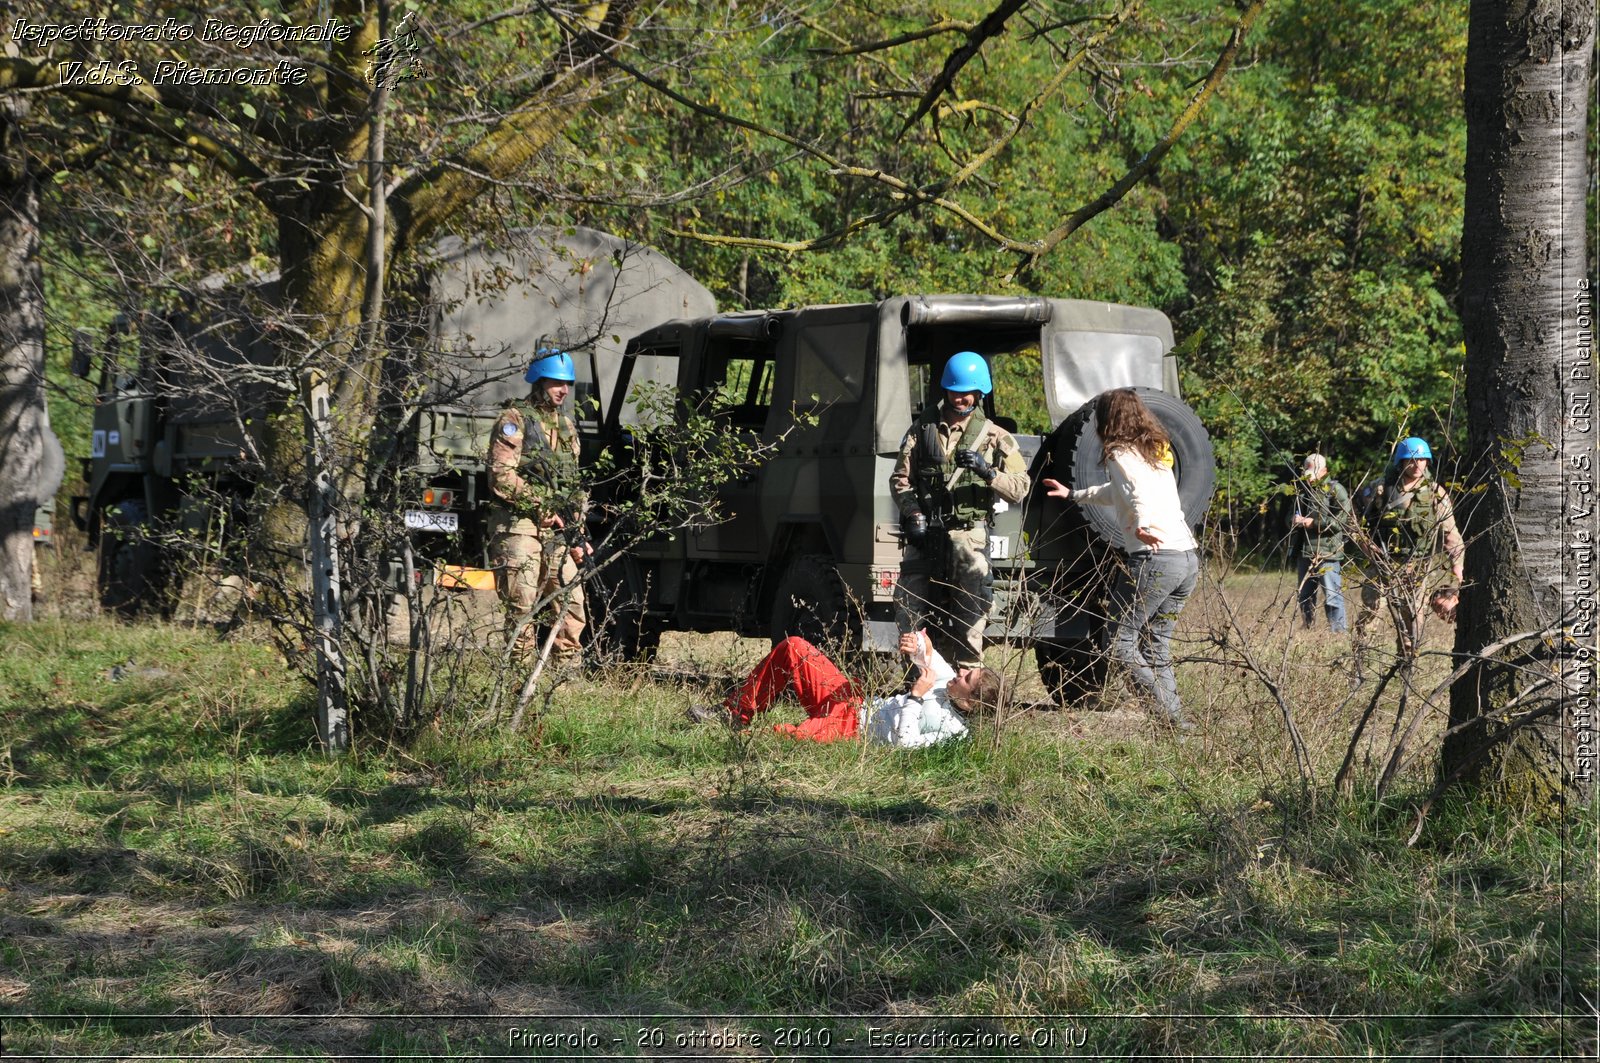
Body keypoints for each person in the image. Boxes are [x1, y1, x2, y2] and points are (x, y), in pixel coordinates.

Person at [1040, 388, 1199, 731]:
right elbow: (1118, 491)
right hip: (1186, 560)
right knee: (1156, 646)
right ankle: (1176, 726)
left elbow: (1134, 493)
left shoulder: (1118, 453)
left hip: (1154, 560)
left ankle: (1171, 720)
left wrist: (1140, 524)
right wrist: (1073, 494)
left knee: (1117, 643)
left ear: (1107, 420)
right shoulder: (1154, 455)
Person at [889, 351, 1030, 668]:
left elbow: (1021, 486)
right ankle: (919, 687)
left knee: (970, 619)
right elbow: (900, 479)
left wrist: (987, 471)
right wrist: (913, 512)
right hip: (925, 535)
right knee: (909, 610)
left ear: (980, 392)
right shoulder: (921, 430)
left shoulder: (995, 436)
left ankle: (968, 693)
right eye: (955, 390)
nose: (961, 398)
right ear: (946, 390)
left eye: (968, 392)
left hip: (968, 537)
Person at [686, 629, 1002, 746]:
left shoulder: (954, 733)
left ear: (970, 703)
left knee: (784, 736)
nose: (960, 672)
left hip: (851, 729)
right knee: (795, 647)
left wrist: (916, 698)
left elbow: (906, 745)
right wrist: (915, 642)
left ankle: (722, 745)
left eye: (967, 679)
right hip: (852, 700)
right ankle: (733, 714)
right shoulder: (945, 679)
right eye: (965, 671)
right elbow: (928, 650)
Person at [487, 346, 593, 666]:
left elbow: (572, 486)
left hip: (558, 533)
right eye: (555, 382)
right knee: (522, 609)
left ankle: (562, 687)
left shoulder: (567, 428)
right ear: (538, 381)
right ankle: (518, 687)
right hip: (518, 526)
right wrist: (539, 505)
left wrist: (579, 535)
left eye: (567, 384)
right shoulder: (514, 421)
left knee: (572, 607)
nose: (563, 390)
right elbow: (501, 475)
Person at [1353, 435, 1465, 655]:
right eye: (1412, 460)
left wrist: (1457, 566)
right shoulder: (1380, 488)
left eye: (1422, 460)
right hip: (1382, 565)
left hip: (1417, 567)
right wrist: (1368, 547)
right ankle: (1359, 660)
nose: (1417, 465)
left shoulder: (1435, 493)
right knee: (1371, 613)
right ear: (1401, 461)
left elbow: (1450, 533)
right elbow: (1353, 521)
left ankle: (1406, 664)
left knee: (1413, 620)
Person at [1287, 452, 1354, 632]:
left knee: (1332, 595)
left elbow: (1342, 520)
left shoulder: (1335, 490)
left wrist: (1313, 523)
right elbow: (1288, 517)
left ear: (1324, 471)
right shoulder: (1302, 491)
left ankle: (1338, 631)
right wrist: (1294, 521)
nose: (1310, 479)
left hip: (1328, 553)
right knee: (1305, 595)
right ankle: (1307, 628)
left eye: (1314, 474)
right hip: (1305, 551)